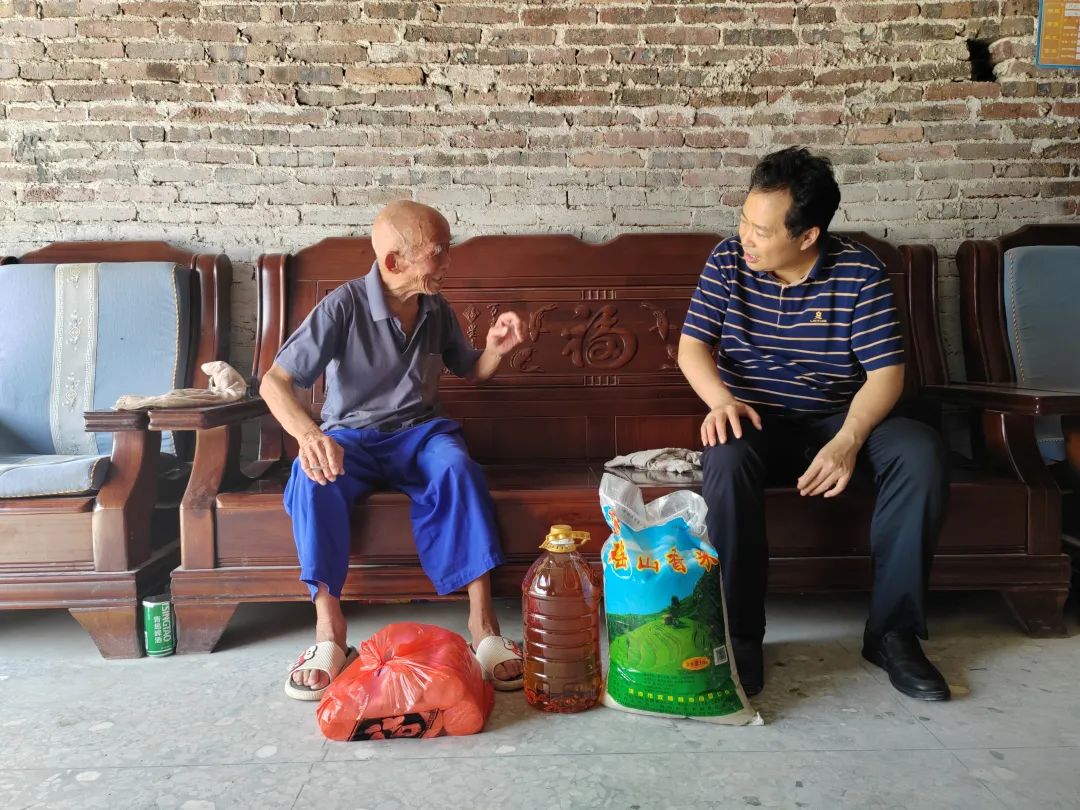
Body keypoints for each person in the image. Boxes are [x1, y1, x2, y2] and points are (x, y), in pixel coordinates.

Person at [678, 147, 951, 701]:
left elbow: (886, 375)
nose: (745, 237)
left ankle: (893, 634)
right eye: (743, 221)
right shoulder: (728, 260)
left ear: (807, 236)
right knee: (725, 456)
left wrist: (848, 440)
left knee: (920, 452)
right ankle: (740, 634)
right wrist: (721, 402)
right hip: (756, 418)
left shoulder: (859, 272)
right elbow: (692, 348)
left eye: (761, 231)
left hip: (840, 418)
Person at [261, 200, 527, 700]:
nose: (448, 262)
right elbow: (274, 383)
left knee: (458, 469)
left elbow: (470, 368)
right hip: (351, 438)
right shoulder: (343, 306)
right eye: (438, 252)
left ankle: (484, 628)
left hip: (421, 435)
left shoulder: (435, 307)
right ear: (393, 261)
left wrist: (494, 349)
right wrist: (310, 436)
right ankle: (329, 634)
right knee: (311, 478)